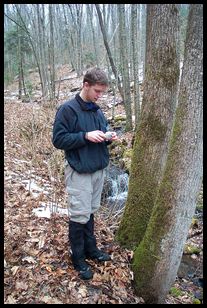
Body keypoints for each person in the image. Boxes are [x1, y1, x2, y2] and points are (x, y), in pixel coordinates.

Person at [52, 67, 118, 280]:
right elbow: (58, 140)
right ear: (86, 85)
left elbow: (101, 131)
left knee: (90, 212)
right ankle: (78, 257)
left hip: (97, 169)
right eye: (97, 91)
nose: (100, 96)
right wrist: (85, 136)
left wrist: (108, 136)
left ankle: (91, 249)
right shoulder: (67, 110)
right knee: (79, 215)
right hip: (79, 170)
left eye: (102, 92)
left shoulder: (97, 110)